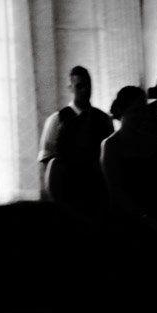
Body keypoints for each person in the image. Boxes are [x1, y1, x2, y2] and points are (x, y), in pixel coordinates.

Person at [37, 66, 114, 216]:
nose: (85, 90)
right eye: (80, 86)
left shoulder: (104, 119)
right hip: (68, 194)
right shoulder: (56, 120)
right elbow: (47, 163)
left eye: (88, 85)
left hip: (97, 194)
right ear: (70, 88)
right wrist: (56, 197)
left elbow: (109, 159)